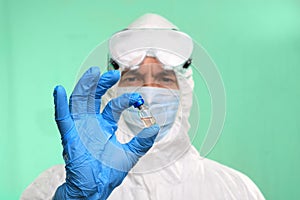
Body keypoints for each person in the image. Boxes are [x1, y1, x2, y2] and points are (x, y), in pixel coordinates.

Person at [21, 13, 265, 199]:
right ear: (114, 91)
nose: (148, 92)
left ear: (185, 93)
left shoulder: (233, 190)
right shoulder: (55, 185)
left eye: (164, 79)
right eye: (134, 78)